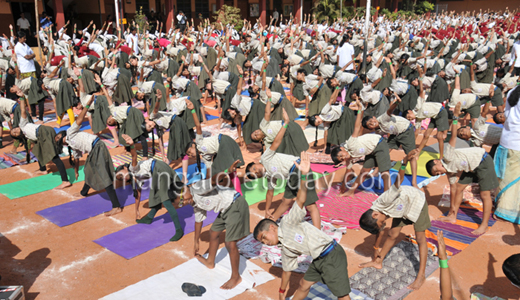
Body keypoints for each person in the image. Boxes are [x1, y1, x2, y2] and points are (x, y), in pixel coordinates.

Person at [253, 151, 352, 300]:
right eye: (263, 242)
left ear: (272, 227)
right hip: (318, 260)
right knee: (303, 285)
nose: (266, 243)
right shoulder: (285, 249)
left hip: (331, 255)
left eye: (264, 237)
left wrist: (304, 175)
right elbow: (286, 272)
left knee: (342, 296)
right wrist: (281, 293)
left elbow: (300, 199)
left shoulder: (287, 222)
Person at [358, 150, 428, 290]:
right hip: (401, 208)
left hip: (416, 202)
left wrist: (403, 164)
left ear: (375, 215)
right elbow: (380, 232)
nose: (383, 225)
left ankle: (421, 275)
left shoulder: (386, 199)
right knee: (392, 234)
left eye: (381, 223)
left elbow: (398, 181)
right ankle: (378, 262)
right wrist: (376, 249)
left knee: (420, 238)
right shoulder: (376, 214)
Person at [426, 103, 499, 235]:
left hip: (482, 161)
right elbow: (454, 189)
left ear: (437, 161)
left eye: (436, 170)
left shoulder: (447, 156)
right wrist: (452, 210)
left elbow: (453, 136)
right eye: (437, 174)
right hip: (469, 167)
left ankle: (484, 225)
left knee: (485, 194)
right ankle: (453, 216)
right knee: (459, 188)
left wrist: (455, 117)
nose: (439, 173)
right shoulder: (450, 172)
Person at [246, 109, 321, 229]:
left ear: (257, 163)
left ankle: (318, 232)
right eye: (254, 174)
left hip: (300, 168)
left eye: (254, 168)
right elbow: (269, 193)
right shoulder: (269, 177)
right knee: (286, 201)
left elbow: (276, 142)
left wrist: (285, 123)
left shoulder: (265, 157)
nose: (256, 171)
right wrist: (266, 210)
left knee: (311, 206)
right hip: (292, 177)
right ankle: (271, 222)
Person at [184, 160, 249, 290]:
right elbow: (198, 221)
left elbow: (213, 181)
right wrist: (196, 241)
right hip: (225, 209)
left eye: (183, 198)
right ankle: (210, 261)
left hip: (235, 204)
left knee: (230, 243)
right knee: (213, 232)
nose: (184, 202)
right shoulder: (193, 202)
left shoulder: (197, 188)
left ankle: (236, 277)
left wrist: (227, 172)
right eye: (181, 202)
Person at [54, 95, 122, 216]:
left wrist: (86, 105)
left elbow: (79, 120)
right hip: (93, 151)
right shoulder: (71, 145)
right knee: (89, 171)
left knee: (104, 176)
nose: (57, 138)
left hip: (98, 147)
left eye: (57, 137)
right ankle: (83, 193)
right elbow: (76, 158)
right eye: (56, 139)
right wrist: (76, 171)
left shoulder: (70, 133)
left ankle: (116, 206)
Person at [116, 134, 185, 242]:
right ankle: (149, 218)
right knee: (156, 196)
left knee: (165, 201)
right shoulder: (135, 177)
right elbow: (137, 194)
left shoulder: (132, 168)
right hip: (159, 170)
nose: (123, 178)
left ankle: (179, 230)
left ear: (124, 168)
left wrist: (132, 145)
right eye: (121, 179)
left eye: (121, 175)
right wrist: (137, 211)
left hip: (159, 169)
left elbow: (134, 156)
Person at [10, 92, 71, 189]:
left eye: (14, 130)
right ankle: (43, 169)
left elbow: (22, 110)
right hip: (41, 136)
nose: (15, 130)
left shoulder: (22, 124)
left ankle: (65, 181)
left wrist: (22, 98)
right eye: (15, 133)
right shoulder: (27, 136)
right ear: (19, 136)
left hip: (44, 132)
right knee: (37, 150)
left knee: (54, 157)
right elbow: (31, 146)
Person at [330, 101, 392, 196]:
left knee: (384, 172)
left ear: (342, 148)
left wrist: (359, 110)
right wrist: (343, 185)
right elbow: (348, 172)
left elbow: (357, 127)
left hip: (379, 144)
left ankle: (387, 197)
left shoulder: (350, 144)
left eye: (341, 155)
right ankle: (351, 192)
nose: (343, 157)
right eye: (341, 159)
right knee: (364, 171)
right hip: (371, 151)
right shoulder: (349, 160)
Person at [362, 94, 419, 187]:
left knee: (411, 156)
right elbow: (378, 142)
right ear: (371, 128)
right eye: (370, 125)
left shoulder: (382, 119)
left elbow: (389, 110)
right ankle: (376, 172)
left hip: (406, 130)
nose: (373, 123)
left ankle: (414, 182)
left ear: (374, 118)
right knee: (383, 151)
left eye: (372, 121)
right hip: (394, 133)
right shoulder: (377, 130)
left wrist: (396, 102)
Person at [493, 86, 520, 224]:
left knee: (506, 175)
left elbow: (507, 114)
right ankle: (505, 210)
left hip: (507, 139)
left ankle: (499, 204)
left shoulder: (512, 91)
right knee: (514, 179)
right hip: (517, 144)